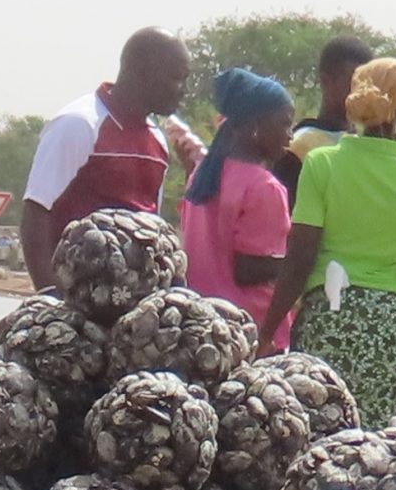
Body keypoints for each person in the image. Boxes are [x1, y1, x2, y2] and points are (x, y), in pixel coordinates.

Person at [262, 58, 396, 420]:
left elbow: (299, 259)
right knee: (374, 445)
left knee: (315, 432)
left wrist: (267, 331)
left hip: (327, 319)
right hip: (388, 330)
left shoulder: (321, 164)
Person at [21, 28, 201, 290]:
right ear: (143, 71)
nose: (183, 90)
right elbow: (36, 213)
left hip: (133, 303)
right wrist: (49, 296)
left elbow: (151, 228)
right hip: (77, 298)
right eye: (177, 78)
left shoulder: (158, 141)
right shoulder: (79, 124)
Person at [180, 68, 298, 348]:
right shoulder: (264, 187)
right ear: (256, 124)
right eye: (284, 124)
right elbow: (248, 270)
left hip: (201, 328)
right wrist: (301, 263)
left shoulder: (201, 176)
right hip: (247, 334)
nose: (290, 135)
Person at [278, 35, 373, 197]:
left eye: (369, 84)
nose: (362, 92)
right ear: (325, 81)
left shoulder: (368, 146)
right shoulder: (298, 148)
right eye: (354, 83)